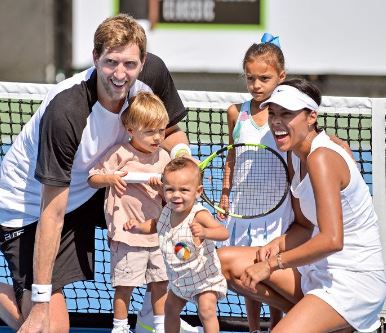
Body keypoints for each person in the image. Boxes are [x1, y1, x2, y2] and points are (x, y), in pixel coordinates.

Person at [0, 14, 192, 333]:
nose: (120, 74)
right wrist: (41, 305)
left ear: (142, 62)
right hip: (31, 207)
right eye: (110, 62)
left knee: (175, 199)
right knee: (49, 327)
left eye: (130, 64)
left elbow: (169, 130)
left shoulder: (153, 74)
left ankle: (151, 311)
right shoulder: (66, 112)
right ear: (95, 58)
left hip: (94, 184)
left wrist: (183, 162)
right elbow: (52, 212)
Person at [218, 79, 386, 333]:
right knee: (222, 263)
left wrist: (272, 263)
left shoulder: (322, 158)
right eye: (272, 113)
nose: (276, 121)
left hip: (353, 282)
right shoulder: (295, 154)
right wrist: (274, 246)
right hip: (316, 270)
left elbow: (332, 240)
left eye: (287, 113)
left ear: (311, 117)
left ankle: (336, 324)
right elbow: (304, 225)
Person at [217, 33, 292, 332]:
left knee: (270, 270)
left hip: (278, 210)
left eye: (264, 78)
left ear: (281, 77)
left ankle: (276, 325)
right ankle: (253, 329)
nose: (256, 85)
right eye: (250, 79)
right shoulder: (236, 112)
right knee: (245, 272)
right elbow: (231, 158)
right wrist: (224, 196)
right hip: (243, 208)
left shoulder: (287, 115)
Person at [88, 92, 171, 333]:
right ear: (131, 129)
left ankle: (159, 325)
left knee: (160, 282)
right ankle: (120, 327)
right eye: (150, 131)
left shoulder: (164, 157)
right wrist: (111, 178)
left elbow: (173, 195)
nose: (157, 137)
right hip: (126, 236)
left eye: (162, 130)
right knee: (124, 286)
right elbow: (93, 178)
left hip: (157, 233)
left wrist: (163, 189)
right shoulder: (119, 154)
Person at [125, 157, 229, 333]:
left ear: (198, 192)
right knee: (170, 309)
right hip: (179, 280)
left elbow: (223, 233)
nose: (176, 195)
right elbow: (155, 225)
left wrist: (205, 233)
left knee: (206, 310)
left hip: (204, 278)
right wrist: (138, 227)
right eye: (170, 189)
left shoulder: (198, 214)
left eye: (184, 190)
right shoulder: (167, 210)